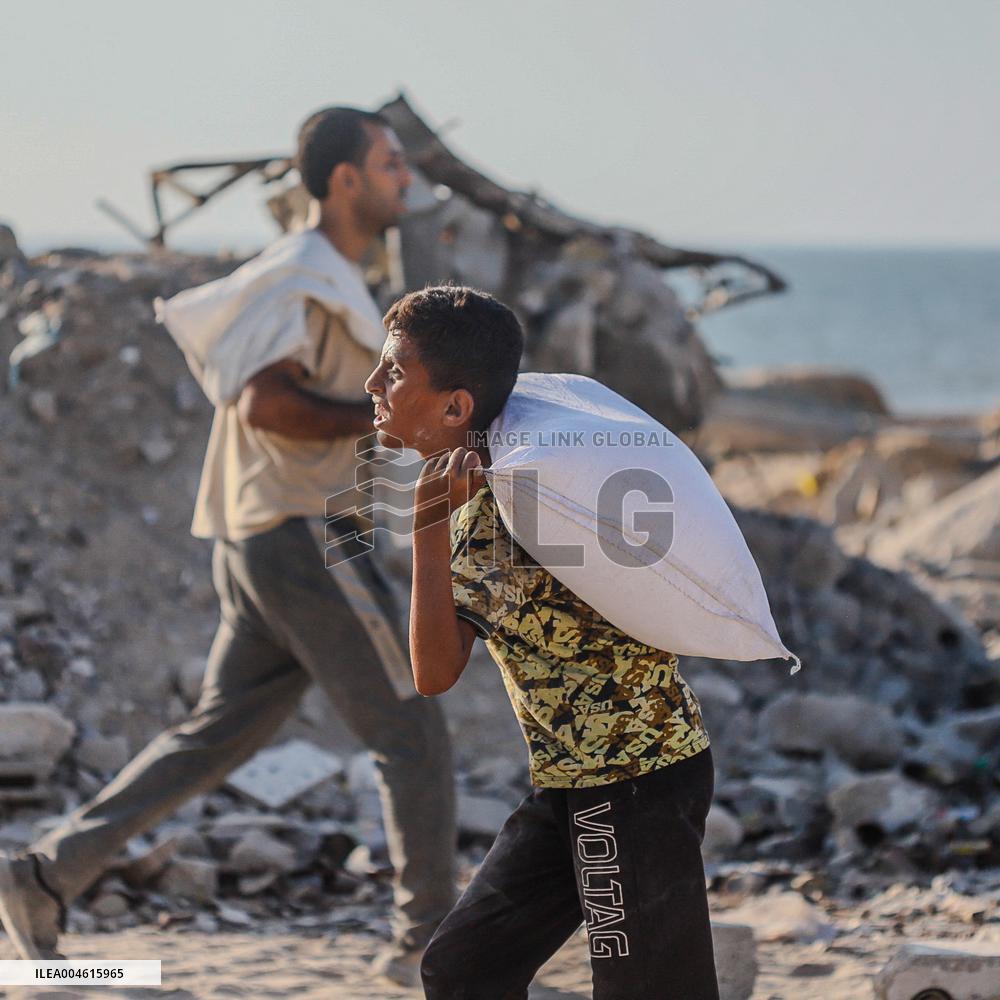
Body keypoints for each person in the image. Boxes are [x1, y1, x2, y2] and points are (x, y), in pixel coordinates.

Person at [0, 107, 456, 988]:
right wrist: (390, 422)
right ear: (346, 180)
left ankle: (44, 875)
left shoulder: (333, 277)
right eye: (391, 163)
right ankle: (429, 948)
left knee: (214, 736)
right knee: (412, 726)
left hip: (275, 536)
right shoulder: (299, 276)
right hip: (301, 533)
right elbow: (265, 403)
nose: (407, 178)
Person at [363, 284, 721, 999]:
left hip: (631, 783)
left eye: (395, 371)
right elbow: (440, 662)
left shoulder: (508, 504)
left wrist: (426, 525)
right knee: (463, 968)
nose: (373, 384)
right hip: (570, 781)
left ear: (456, 409)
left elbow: (433, 672)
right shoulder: (494, 488)